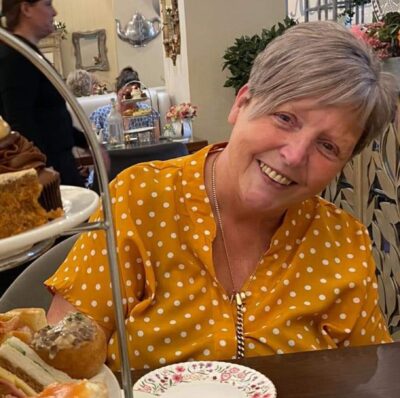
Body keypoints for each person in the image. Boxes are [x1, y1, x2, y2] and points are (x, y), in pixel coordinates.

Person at [45, 21, 398, 372]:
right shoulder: (139, 201)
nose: (294, 155)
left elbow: (364, 376)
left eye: (328, 146)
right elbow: (59, 366)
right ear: (242, 103)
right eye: (285, 117)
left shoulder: (343, 243)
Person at [0, 0, 86, 186]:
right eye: (47, 4)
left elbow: (51, 117)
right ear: (26, 9)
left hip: (59, 165)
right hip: (49, 173)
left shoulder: (29, 54)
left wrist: (89, 144)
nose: (54, 12)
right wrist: (41, 168)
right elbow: (20, 121)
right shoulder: (15, 58)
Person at [89, 66, 160, 140]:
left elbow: (156, 140)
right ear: (116, 92)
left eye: (130, 96)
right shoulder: (101, 114)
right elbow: (94, 143)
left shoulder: (148, 112)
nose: (127, 100)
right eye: (123, 95)